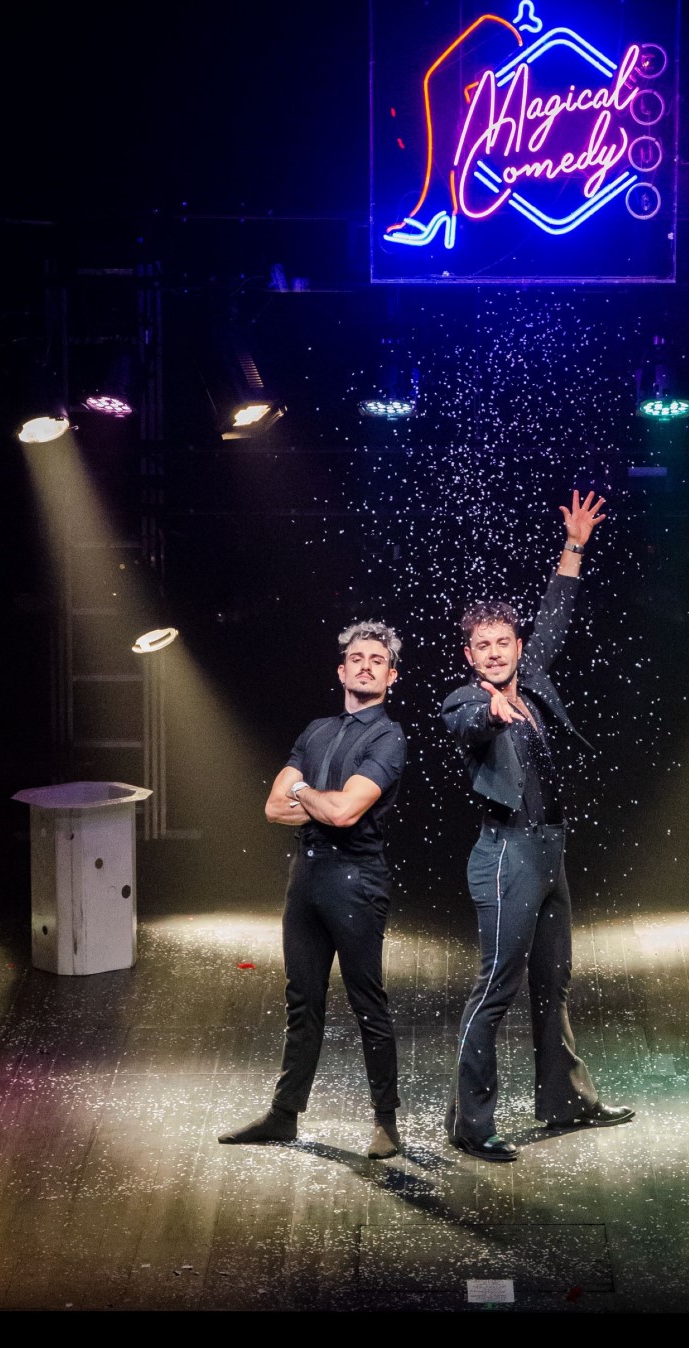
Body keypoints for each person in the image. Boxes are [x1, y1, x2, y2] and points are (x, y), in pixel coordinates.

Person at [441, 491, 634, 1161]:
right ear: (470, 655)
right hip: (506, 855)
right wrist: (490, 712)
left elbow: (556, 614)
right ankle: (471, 1123)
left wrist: (574, 545)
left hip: (551, 853)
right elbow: (464, 723)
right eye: (483, 646)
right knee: (496, 987)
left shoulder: (537, 679)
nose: (495, 653)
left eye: (504, 642)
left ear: (518, 647)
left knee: (554, 983)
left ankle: (565, 1101)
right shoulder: (465, 700)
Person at [219, 621, 407, 1160]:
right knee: (302, 1000)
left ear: (391, 676)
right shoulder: (317, 729)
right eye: (357, 658)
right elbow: (272, 808)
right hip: (306, 877)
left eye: (377, 660)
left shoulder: (388, 737)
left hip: (356, 879)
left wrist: (302, 789)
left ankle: (386, 1123)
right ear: (341, 671)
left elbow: (344, 813)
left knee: (367, 1001)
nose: (366, 666)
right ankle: (284, 1114)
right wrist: (317, 799)